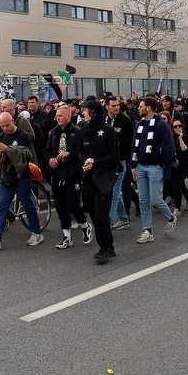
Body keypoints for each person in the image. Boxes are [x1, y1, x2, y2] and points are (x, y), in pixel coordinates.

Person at [0, 112, 42, 250]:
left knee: (28, 206)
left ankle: (37, 232)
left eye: (7, 125)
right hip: (6, 176)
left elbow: (25, 155)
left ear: (13, 121)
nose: (5, 128)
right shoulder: (1, 136)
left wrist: (7, 149)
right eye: (2, 126)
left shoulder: (23, 136)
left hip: (22, 176)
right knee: (2, 206)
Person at [78, 99, 121, 264]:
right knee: (94, 215)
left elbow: (114, 156)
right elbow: (80, 151)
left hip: (104, 177)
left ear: (94, 112)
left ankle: (104, 248)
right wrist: (86, 160)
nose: (83, 113)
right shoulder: (84, 129)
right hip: (89, 177)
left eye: (86, 110)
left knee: (101, 214)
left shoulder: (108, 130)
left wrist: (95, 162)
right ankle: (109, 245)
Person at [130, 97, 178, 244]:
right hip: (140, 166)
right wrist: (133, 165)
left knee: (156, 199)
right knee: (143, 200)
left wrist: (161, 163)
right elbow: (134, 146)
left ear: (148, 108)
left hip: (155, 167)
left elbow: (170, 147)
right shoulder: (139, 124)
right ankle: (148, 231)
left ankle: (170, 218)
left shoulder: (161, 124)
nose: (139, 108)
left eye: (141, 106)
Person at [46, 105, 92, 249]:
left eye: (60, 115)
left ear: (68, 116)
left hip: (73, 174)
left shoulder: (78, 131)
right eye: (57, 116)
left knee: (72, 203)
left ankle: (85, 225)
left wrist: (69, 154)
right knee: (60, 207)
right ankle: (67, 236)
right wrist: (49, 160)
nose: (57, 118)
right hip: (57, 174)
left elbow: (83, 152)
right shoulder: (53, 133)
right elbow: (47, 151)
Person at [104, 95, 134, 229]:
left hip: (120, 161)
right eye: (113, 106)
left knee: (114, 192)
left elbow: (131, 140)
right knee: (112, 191)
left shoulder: (125, 121)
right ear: (107, 107)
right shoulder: (103, 119)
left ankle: (108, 223)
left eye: (118, 105)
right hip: (106, 161)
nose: (117, 108)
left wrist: (117, 144)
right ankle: (123, 218)